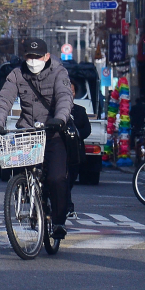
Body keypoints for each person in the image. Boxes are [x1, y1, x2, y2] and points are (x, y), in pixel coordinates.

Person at [0, 37, 74, 242]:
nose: (33, 60)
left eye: (37, 56)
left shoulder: (59, 72)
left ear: (46, 56)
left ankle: (59, 221)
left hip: (53, 132)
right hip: (28, 133)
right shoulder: (17, 74)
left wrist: (59, 119)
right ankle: (25, 192)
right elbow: (4, 100)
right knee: (17, 167)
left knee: (56, 178)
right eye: (29, 56)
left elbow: (64, 97)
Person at [63, 80, 92, 218]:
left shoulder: (80, 111)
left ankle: (64, 203)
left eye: (72, 91)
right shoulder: (54, 110)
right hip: (60, 151)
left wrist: (75, 135)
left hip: (75, 152)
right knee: (63, 179)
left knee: (71, 179)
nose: (70, 93)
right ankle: (67, 206)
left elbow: (87, 129)